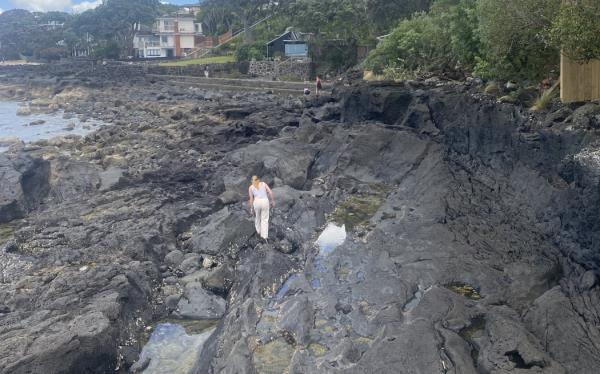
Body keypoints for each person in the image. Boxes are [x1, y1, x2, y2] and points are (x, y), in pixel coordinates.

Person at [248, 176, 275, 241]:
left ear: (252, 181)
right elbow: (270, 192)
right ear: (258, 180)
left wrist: (251, 208)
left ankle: (258, 232)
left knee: (257, 217)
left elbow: (251, 199)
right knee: (265, 219)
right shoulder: (263, 184)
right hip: (265, 201)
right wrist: (272, 201)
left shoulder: (251, 187)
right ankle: (264, 236)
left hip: (256, 202)